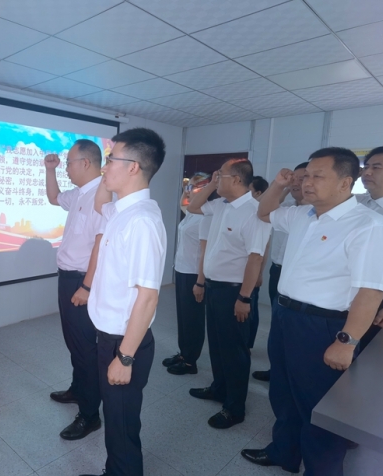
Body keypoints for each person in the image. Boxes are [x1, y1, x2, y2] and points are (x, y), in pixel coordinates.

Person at [241, 147, 383, 476]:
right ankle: (284, 452)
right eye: (306, 175)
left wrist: (347, 341)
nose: (307, 182)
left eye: (317, 176)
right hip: (285, 317)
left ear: (345, 182)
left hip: (323, 327)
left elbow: (370, 291)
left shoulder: (369, 225)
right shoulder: (302, 215)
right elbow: (264, 213)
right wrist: (279, 185)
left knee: (320, 409)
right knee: (283, 393)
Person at [82, 128, 167, 476]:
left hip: (124, 342)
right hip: (111, 336)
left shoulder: (142, 221)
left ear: (133, 167)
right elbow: (99, 202)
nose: (103, 168)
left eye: (110, 160)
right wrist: (110, 169)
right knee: (116, 419)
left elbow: (148, 297)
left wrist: (125, 357)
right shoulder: (120, 211)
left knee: (121, 422)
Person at [186, 159, 271, 429]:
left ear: (236, 179)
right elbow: (193, 206)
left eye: (220, 176)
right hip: (214, 287)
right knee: (217, 345)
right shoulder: (220, 205)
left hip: (234, 292)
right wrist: (212, 184)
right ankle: (219, 388)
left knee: (234, 351)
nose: (216, 179)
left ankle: (235, 408)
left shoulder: (254, 212)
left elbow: (255, 258)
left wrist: (245, 298)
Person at [44, 139, 104, 441]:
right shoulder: (80, 193)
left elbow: (100, 247)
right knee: (73, 342)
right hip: (67, 278)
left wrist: (86, 286)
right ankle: (78, 389)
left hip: (83, 282)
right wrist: (50, 170)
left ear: (86, 163)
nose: (66, 168)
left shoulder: (102, 197)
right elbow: (54, 198)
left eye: (68, 163)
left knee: (85, 347)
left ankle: (90, 415)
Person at [253, 163, 308, 382]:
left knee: (295, 330)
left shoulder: (314, 213)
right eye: (296, 178)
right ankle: (276, 369)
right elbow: (260, 208)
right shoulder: (287, 210)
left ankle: (289, 374)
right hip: (278, 271)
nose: (298, 183)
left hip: (299, 277)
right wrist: (283, 187)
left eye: (304, 178)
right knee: (277, 323)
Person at [163, 173, 210, 375]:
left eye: (194, 187)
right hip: (182, 270)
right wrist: (185, 188)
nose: (190, 191)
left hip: (194, 274)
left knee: (193, 320)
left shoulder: (206, 215)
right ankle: (183, 353)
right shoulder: (192, 211)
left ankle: (191, 362)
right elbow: (184, 203)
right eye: (189, 187)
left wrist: (200, 282)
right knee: (183, 318)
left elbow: (205, 253)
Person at [356, 145, 383, 349]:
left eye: (376, 167)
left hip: (378, 295)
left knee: (362, 354)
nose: (367, 172)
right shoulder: (357, 203)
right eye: (366, 166)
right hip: (344, 290)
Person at [247, 175, 269, 350]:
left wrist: (259, 272)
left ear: (258, 193)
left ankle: (248, 342)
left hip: (253, 270)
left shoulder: (262, 214)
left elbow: (264, 248)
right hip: (241, 271)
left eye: (249, 190)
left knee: (251, 307)